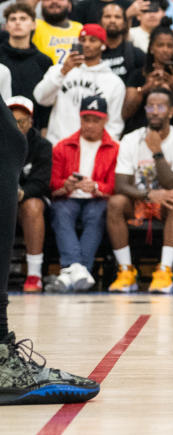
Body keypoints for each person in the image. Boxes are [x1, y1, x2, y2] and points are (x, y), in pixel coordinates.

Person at [105, 87, 173, 294]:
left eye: (160, 107)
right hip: (139, 202)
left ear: (171, 112)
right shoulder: (130, 139)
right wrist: (149, 195)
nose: (154, 111)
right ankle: (125, 271)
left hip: (165, 205)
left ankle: (165, 271)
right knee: (116, 202)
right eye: (150, 106)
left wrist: (157, 153)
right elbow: (121, 184)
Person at [46, 96, 118, 295]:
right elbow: (52, 183)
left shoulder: (114, 149)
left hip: (97, 198)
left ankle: (71, 271)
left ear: (105, 120)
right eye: (86, 119)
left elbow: (113, 186)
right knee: (60, 213)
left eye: (96, 120)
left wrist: (95, 186)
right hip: (68, 197)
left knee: (96, 216)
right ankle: (80, 270)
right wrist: (66, 184)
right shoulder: (62, 146)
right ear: (80, 119)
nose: (90, 125)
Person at [34, 23, 125, 145]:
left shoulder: (114, 82)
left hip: (92, 148)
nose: (86, 44)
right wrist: (63, 72)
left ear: (103, 45)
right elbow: (40, 98)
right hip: (58, 145)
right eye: (82, 40)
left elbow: (114, 123)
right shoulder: (59, 70)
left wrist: (105, 151)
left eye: (92, 40)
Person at [11, 97, 52, 293]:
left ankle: (34, 274)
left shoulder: (42, 145)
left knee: (33, 206)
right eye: (12, 121)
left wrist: (21, 193)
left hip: (28, 198)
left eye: (21, 121)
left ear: (30, 122)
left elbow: (41, 183)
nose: (17, 126)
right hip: (4, 199)